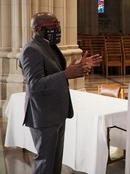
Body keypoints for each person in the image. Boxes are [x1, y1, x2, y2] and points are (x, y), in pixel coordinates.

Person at [19, 12, 102, 174]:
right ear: (38, 28)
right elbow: (35, 84)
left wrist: (78, 69)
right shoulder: (31, 50)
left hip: (56, 111)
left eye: (58, 25)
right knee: (45, 161)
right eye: (52, 26)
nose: (57, 29)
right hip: (43, 114)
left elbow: (54, 74)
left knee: (55, 161)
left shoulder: (49, 46)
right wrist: (65, 74)